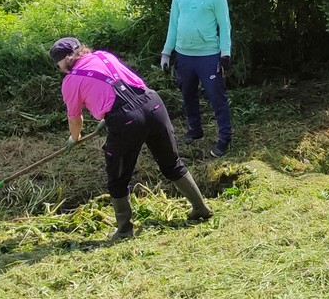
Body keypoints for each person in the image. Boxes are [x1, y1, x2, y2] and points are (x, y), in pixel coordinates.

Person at [51, 37, 212, 240]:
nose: (60, 70)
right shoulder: (103, 55)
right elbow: (121, 85)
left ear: (64, 60)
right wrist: (106, 116)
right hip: (153, 104)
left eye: (58, 66)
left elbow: (75, 119)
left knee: (117, 176)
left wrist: (74, 138)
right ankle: (201, 208)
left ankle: (125, 229)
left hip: (126, 120)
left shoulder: (70, 81)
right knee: (171, 163)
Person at [160, 0, 234, 157]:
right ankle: (195, 130)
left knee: (216, 97)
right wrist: (167, 52)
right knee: (187, 94)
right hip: (184, 55)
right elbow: (173, 23)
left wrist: (225, 54)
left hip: (209, 55)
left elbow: (225, 26)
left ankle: (224, 137)